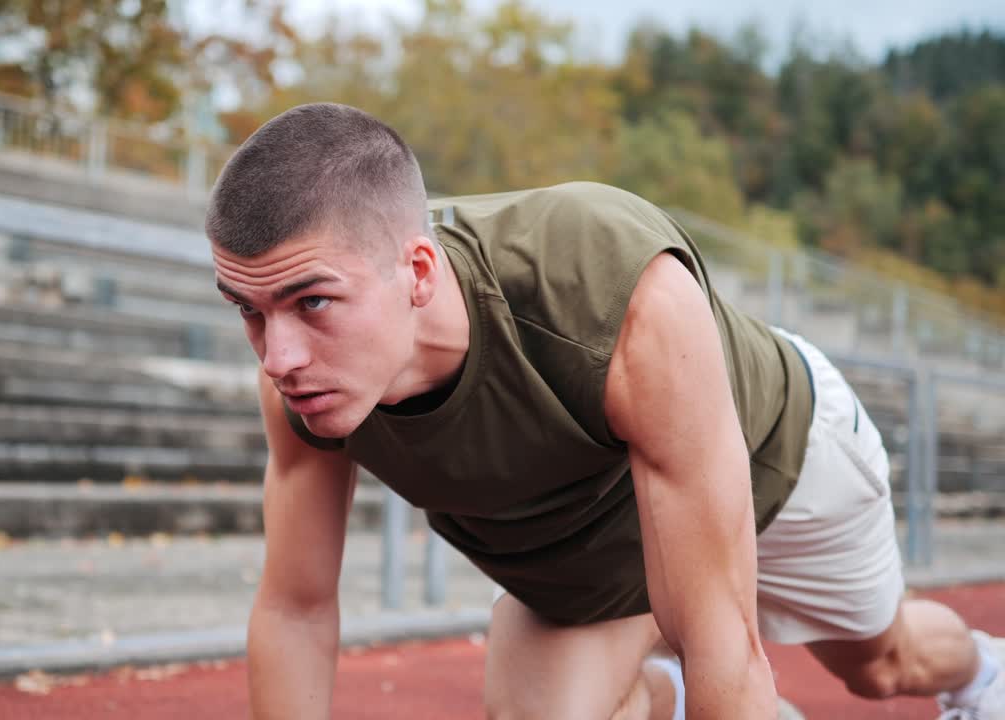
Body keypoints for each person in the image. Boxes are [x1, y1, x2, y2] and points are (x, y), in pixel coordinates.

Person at [205, 102, 1005, 719]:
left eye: (311, 302)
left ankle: (984, 672)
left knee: (878, 666)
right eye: (249, 310)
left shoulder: (607, 288)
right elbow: (297, 608)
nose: (278, 359)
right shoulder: (300, 380)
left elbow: (721, 637)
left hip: (770, 450)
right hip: (591, 537)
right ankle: (660, 695)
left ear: (417, 272)